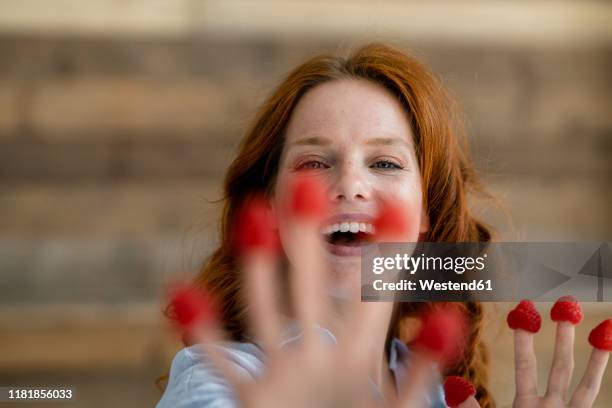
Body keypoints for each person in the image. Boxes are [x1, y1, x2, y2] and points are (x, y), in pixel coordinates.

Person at [156, 43, 609, 408]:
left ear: (426, 212)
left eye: (386, 162)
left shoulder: (434, 388)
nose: (350, 184)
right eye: (314, 161)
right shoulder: (220, 380)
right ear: (269, 208)